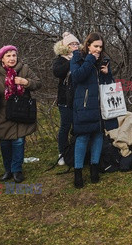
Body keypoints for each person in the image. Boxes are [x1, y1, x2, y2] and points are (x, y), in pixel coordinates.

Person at [70, 32, 118, 188]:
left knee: (98, 136)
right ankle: (78, 173)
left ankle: (94, 170)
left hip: (100, 105)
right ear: (88, 45)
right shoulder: (78, 57)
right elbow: (77, 77)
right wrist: (90, 59)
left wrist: (107, 73)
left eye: (100, 47)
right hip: (83, 105)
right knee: (82, 138)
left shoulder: (103, 60)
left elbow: (109, 85)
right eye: (95, 46)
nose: (98, 49)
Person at [0, 45, 41, 183]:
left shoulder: (24, 69)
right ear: (2, 59)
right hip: (3, 113)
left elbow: (38, 83)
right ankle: (8, 170)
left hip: (21, 112)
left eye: (14, 55)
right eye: (8, 56)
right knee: (5, 143)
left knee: (18, 142)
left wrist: (26, 82)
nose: (12, 58)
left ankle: (17, 170)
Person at [52, 32, 80, 165]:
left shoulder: (81, 58)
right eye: (71, 44)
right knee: (65, 126)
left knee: (78, 126)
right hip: (64, 99)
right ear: (65, 46)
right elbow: (57, 72)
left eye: (76, 44)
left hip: (78, 98)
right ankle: (62, 153)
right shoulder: (61, 59)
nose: (74, 46)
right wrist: (72, 61)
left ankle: (76, 151)